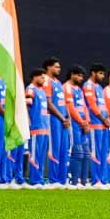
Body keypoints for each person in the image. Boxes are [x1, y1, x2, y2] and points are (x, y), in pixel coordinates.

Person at [42, 58, 70, 186]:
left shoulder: (58, 82)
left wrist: (68, 117)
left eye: (59, 67)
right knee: (55, 149)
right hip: (53, 119)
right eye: (56, 67)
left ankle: (62, 179)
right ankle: (53, 180)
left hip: (63, 120)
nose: (59, 69)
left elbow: (64, 103)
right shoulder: (46, 81)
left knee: (64, 150)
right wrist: (61, 117)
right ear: (49, 67)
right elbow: (48, 103)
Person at [63, 66, 91, 186]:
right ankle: (73, 181)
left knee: (86, 153)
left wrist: (87, 122)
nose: (81, 78)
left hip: (82, 124)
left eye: (82, 76)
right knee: (77, 152)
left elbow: (84, 107)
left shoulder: (79, 89)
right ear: (72, 74)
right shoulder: (67, 87)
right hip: (74, 124)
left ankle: (83, 182)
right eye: (78, 75)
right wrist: (81, 122)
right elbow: (70, 107)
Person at [83, 64, 110, 186]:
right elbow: (92, 106)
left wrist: (107, 118)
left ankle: (103, 179)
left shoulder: (99, 87)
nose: (102, 76)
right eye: (100, 73)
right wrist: (103, 119)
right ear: (93, 73)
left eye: (103, 74)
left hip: (104, 124)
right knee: (95, 152)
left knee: (104, 152)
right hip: (95, 124)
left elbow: (104, 106)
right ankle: (96, 179)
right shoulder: (88, 86)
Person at [25, 68, 51, 187]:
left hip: (44, 127)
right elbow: (27, 106)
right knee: (35, 154)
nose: (43, 80)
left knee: (41, 156)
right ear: (35, 77)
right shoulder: (31, 89)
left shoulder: (42, 91)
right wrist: (29, 122)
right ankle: (34, 180)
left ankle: (40, 178)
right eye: (41, 77)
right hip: (36, 127)